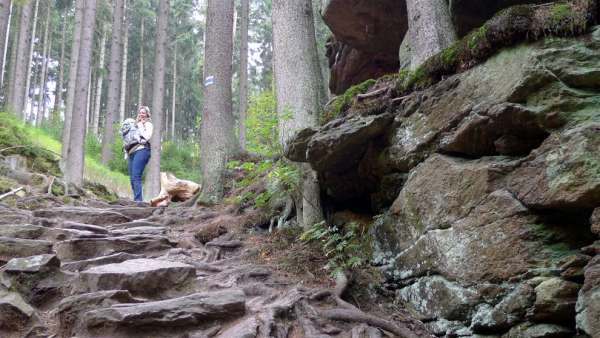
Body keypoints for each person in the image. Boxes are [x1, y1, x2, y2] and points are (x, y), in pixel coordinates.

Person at [127, 106, 153, 202]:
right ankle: (136, 199)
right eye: (140, 112)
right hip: (131, 152)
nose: (141, 114)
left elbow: (146, 136)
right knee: (132, 179)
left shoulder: (148, 124)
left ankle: (138, 201)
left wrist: (141, 125)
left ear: (147, 114)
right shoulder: (135, 125)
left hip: (142, 150)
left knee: (136, 176)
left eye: (143, 112)